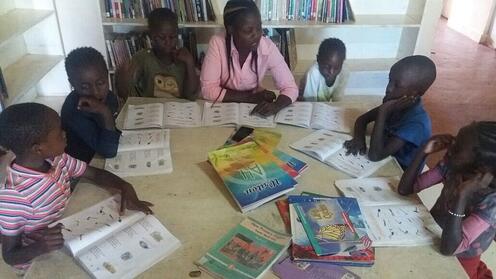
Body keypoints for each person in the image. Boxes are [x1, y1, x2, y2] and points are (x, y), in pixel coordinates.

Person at [0, 103, 153, 272]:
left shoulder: (56, 159)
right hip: (39, 261)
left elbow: (94, 174)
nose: (65, 134)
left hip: (68, 230)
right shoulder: (14, 197)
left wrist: (124, 186)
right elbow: (9, 255)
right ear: (38, 149)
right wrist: (40, 247)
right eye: (59, 134)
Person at [397, 122, 496, 279]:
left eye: (458, 147)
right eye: (455, 139)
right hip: (430, 234)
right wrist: (423, 151)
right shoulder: (453, 166)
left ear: (480, 168)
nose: (451, 146)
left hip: (462, 258)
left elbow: (449, 249)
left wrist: (461, 196)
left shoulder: (492, 202)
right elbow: (406, 189)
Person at [200, 0, 298, 116]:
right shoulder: (218, 44)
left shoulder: (267, 47)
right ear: (230, 29)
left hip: (251, 108)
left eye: (259, 28)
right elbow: (208, 89)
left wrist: (276, 106)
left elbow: (290, 87)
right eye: (248, 30)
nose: (256, 35)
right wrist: (250, 97)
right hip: (223, 107)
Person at [343, 55, 436, 169]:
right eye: (390, 80)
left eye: (397, 85)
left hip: (400, 173)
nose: (389, 88)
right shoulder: (396, 103)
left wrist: (383, 112)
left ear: (415, 93)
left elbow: (375, 155)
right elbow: (362, 120)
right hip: (386, 160)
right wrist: (359, 139)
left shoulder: (417, 124)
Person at [117, 8, 199, 100]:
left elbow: (190, 95)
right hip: (150, 110)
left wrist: (190, 62)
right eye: (162, 37)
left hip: (177, 111)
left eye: (173, 37)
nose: (168, 42)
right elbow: (124, 94)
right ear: (151, 37)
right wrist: (123, 78)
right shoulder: (143, 58)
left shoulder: (183, 58)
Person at [61, 47, 121, 163]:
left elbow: (113, 108)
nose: (95, 92)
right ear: (72, 83)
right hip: (86, 164)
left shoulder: (107, 96)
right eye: (85, 87)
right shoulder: (74, 112)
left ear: (107, 76)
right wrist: (105, 112)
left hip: (99, 150)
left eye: (100, 83)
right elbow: (109, 151)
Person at [298, 37, 346, 102]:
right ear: (318, 59)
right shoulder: (313, 73)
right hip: (305, 103)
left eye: (336, 68)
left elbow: (338, 101)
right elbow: (310, 102)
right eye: (326, 67)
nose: (331, 72)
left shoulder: (344, 72)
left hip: (323, 105)